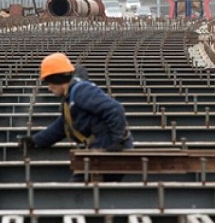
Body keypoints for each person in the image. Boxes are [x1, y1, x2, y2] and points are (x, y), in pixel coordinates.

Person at [19, 53, 133, 182]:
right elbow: (61, 127)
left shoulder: (81, 91)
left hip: (108, 151)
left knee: (79, 193)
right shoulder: (71, 97)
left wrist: (117, 141)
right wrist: (35, 141)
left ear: (57, 79)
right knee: (84, 191)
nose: (49, 88)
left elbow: (115, 109)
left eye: (49, 82)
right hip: (101, 150)